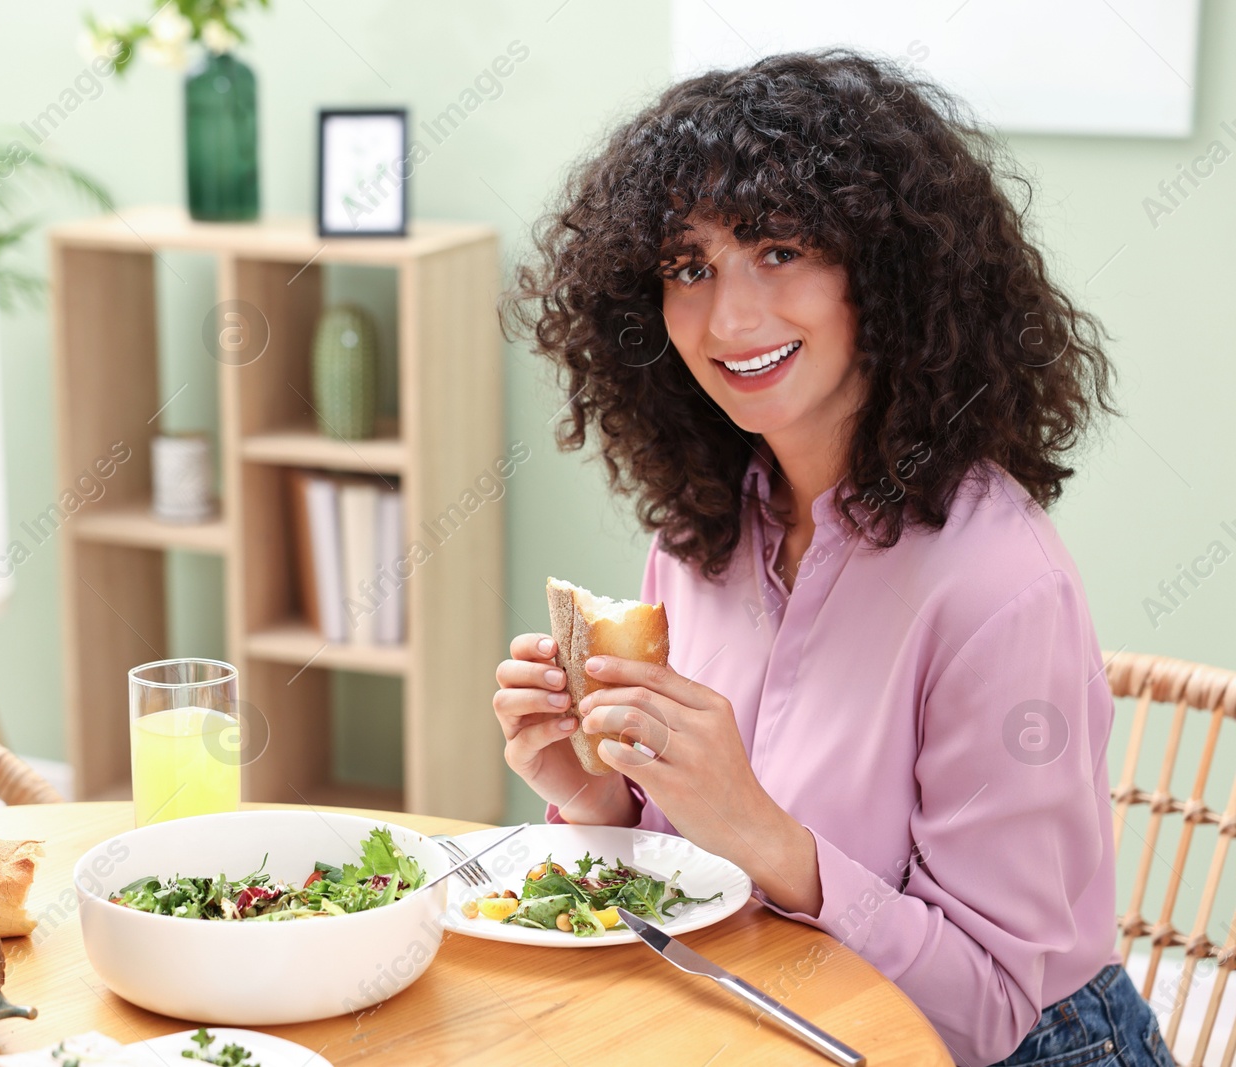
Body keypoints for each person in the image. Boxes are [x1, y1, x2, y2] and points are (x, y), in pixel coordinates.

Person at [494, 51, 1174, 1067]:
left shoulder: (996, 581)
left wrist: (766, 837)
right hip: (774, 1016)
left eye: (778, 249)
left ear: (886, 270)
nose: (727, 319)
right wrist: (598, 796)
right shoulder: (701, 535)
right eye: (688, 266)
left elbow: (985, 1009)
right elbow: (692, 871)